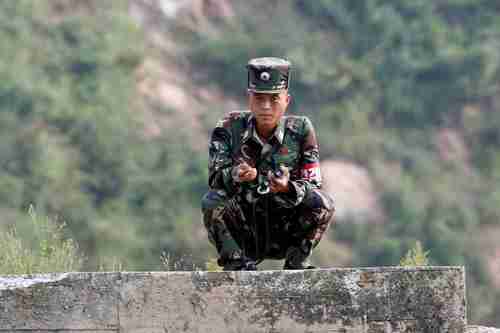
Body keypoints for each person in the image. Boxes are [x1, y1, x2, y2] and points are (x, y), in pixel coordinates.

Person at [201, 57, 335, 271]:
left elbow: (313, 185)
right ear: (249, 99)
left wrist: (287, 187)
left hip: (286, 227)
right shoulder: (228, 127)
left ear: (286, 101)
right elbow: (214, 179)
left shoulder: (300, 130)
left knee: (323, 203)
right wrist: (235, 174)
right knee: (212, 201)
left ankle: (296, 265)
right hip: (245, 229)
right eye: (259, 98)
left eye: (273, 99)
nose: (265, 107)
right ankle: (236, 264)